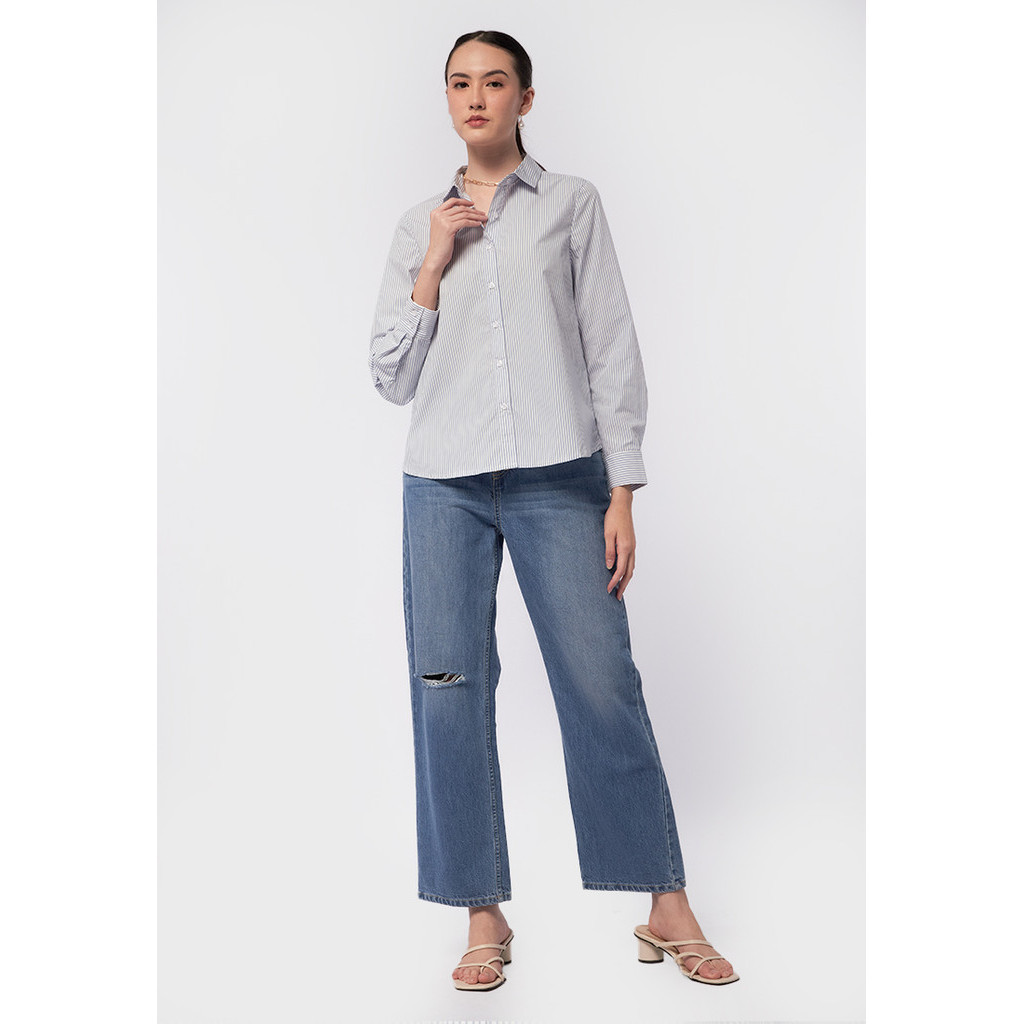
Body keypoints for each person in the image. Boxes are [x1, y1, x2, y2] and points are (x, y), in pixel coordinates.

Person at [368, 29, 738, 991]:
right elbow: (391, 377)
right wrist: (434, 262)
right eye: (460, 83)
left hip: (560, 478)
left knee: (600, 682)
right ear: (446, 98)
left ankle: (665, 902)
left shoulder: (572, 204)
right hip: (443, 486)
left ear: (526, 99)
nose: (476, 97)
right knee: (448, 691)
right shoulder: (418, 225)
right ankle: (480, 911)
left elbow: (610, 345)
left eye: (495, 82)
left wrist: (623, 490)